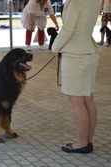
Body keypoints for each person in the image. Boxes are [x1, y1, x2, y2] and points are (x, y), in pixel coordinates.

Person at [52, 0, 101, 153]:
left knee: (77, 102)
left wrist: (55, 48)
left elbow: (67, 29)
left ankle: (81, 143)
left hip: (75, 55)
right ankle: (88, 140)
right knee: (88, 99)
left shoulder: (76, 2)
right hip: (89, 52)